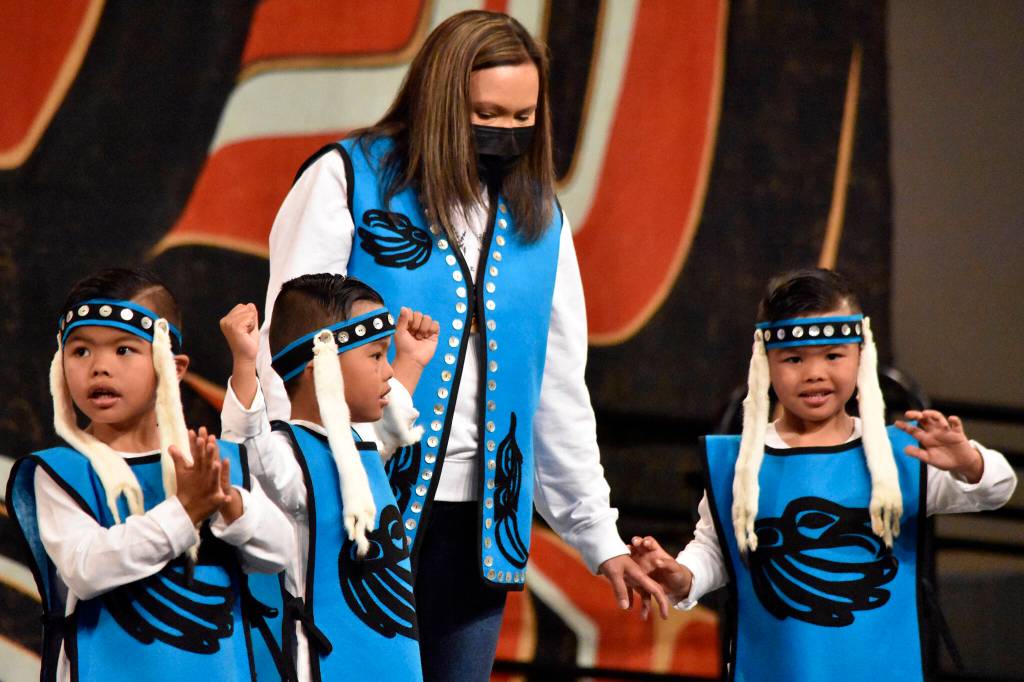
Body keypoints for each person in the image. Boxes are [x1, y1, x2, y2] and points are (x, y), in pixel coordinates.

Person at [255, 9, 668, 680]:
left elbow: (556, 392)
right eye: (487, 113)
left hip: (481, 526)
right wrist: (287, 483)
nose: (505, 132)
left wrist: (599, 538)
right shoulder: (348, 179)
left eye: (522, 116)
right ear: (441, 101)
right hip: (352, 506)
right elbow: (287, 352)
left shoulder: (539, 218)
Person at [630, 268, 1018, 681]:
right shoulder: (740, 463)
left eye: (833, 356)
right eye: (794, 359)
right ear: (766, 362)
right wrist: (681, 576)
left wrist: (967, 462)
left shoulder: (899, 454)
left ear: (861, 355)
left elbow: (996, 488)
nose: (814, 373)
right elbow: (716, 550)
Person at [5, 267, 294, 682]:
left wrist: (230, 504)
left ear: (173, 367)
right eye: (81, 351)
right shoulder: (61, 473)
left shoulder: (213, 462)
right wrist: (185, 509)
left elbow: (279, 552)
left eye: (124, 350)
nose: (99, 368)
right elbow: (87, 569)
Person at [220, 273, 440, 681]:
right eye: (376, 356)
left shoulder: (360, 443)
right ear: (317, 364)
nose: (388, 372)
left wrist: (410, 360)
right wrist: (245, 363)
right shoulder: (288, 457)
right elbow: (246, 451)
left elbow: (394, 417)